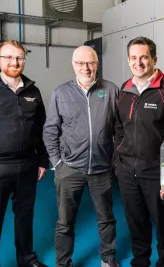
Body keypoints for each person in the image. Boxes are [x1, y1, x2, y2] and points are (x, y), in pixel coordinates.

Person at [114, 37, 164, 267]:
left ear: (154, 59)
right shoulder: (124, 90)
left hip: (157, 173)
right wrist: (120, 159)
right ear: (128, 61)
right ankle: (140, 262)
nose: (139, 62)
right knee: (136, 223)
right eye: (134, 58)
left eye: (144, 57)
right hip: (128, 172)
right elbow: (118, 128)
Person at [43, 46, 119, 267]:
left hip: (102, 169)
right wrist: (57, 162)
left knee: (106, 218)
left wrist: (114, 159)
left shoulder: (111, 90)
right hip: (70, 169)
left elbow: (120, 128)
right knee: (65, 222)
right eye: (80, 63)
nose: (86, 68)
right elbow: (50, 130)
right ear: (73, 64)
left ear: (97, 64)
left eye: (91, 63)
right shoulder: (60, 93)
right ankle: (63, 263)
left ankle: (108, 259)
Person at [0, 40, 48, 267]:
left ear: (24, 60)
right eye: (9, 57)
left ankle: (26, 259)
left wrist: (42, 160)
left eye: (19, 58)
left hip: (27, 165)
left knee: (25, 217)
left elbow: (41, 128)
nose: (14, 62)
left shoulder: (33, 91)